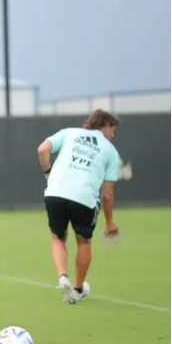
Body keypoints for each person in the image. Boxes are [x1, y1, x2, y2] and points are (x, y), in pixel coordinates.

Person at [37, 109, 120, 304]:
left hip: (55, 193)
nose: (113, 135)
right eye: (113, 130)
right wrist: (109, 222)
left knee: (58, 237)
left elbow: (42, 149)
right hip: (84, 198)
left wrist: (48, 172)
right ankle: (78, 289)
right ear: (105, 126)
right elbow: (107, 195)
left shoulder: (69, 133)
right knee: (83, 242)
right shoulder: (110, 151)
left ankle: (62, 276)